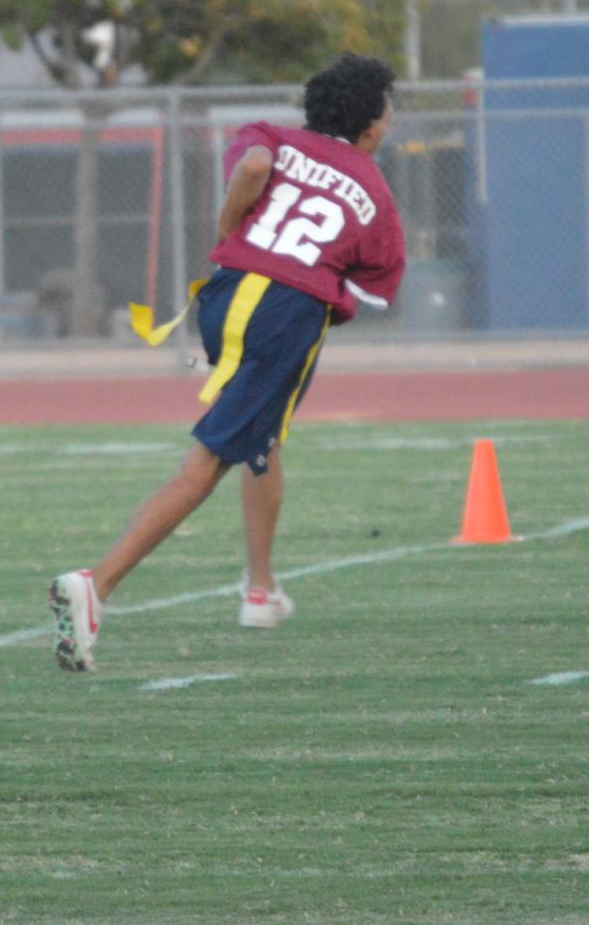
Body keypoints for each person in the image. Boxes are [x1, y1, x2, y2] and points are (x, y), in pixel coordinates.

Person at [49, 53, 405, 671]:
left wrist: (228, 232)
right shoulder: (374, 190)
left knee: (260, 437)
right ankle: (96, 584)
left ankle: (260, 590)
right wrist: (326, 291)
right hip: (284, 316)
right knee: (207, 464)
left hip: (224, 297)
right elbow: (375, 291)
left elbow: (256, 165)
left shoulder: (272, 135)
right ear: (372, 127)